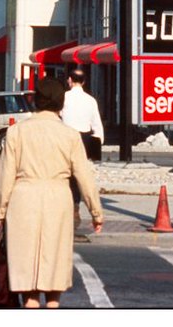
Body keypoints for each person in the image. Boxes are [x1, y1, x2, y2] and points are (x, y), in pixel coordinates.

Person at [0, 76, 103, 308]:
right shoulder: (70, 135)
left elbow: (5, 175)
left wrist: (1, 209)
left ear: (35, 101)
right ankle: (53, 305)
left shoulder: (16, 132)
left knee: (26, 266)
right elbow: (84, 176)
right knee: (54, 263)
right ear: (61, 103)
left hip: (23, 198)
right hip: (58, 198)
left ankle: (30, 305)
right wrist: (96, 212)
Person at [60, 67, 104, 226]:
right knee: (79, 174)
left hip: (65, 136)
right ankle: (76, 206)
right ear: (84, 82)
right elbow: (97, 125)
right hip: (83, 138)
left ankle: (66, 206)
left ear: (70, 80)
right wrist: (97, 145)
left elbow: (57, 117)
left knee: (64, 172)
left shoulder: (63, 97)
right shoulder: (91, 100)